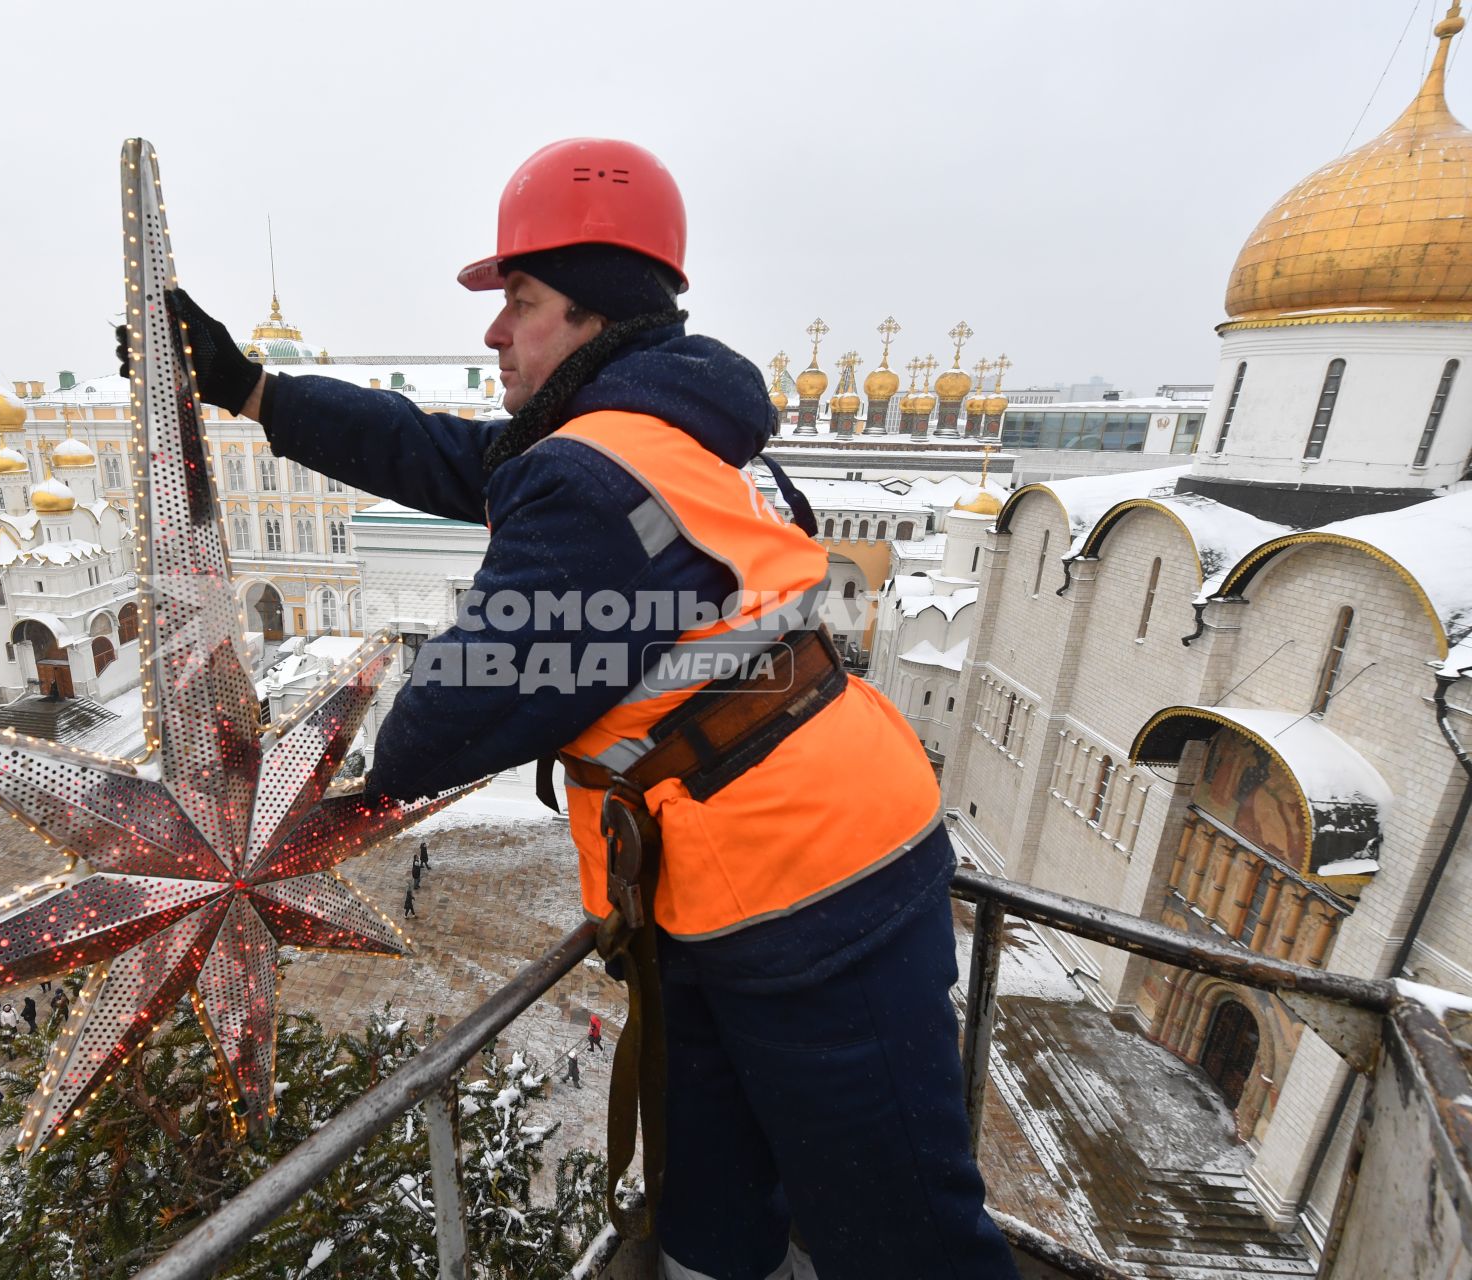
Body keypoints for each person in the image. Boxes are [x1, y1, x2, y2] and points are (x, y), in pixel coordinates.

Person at [119, 138, 1015, 1276]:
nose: (494, 329)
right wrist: (255, 391)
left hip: (812, 886)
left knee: (901, 1233)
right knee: (712, 1208)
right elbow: (451, 456)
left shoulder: (596, 480)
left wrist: (371, 721)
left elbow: (437, 727)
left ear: (592, 317)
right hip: (731, 877)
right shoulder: (663, 431)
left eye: (522, 301)